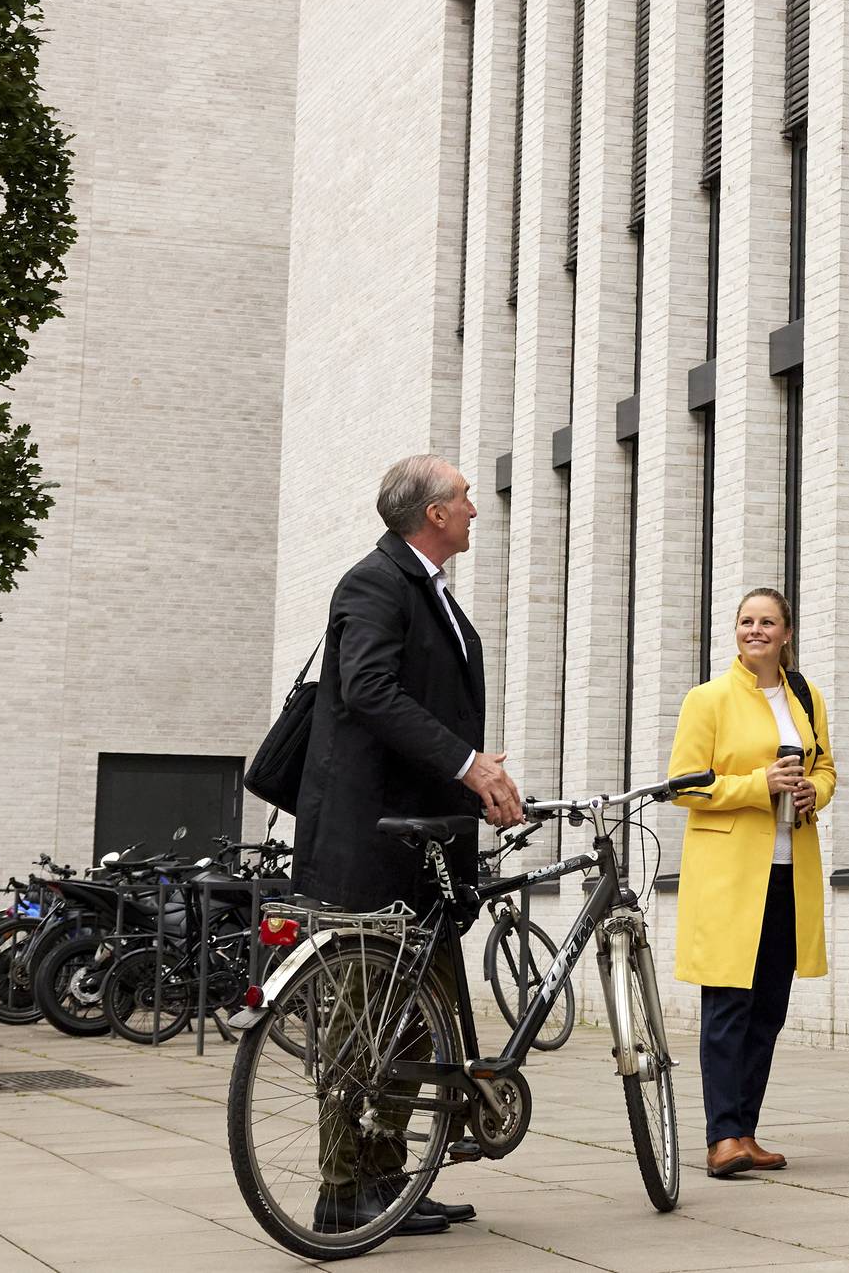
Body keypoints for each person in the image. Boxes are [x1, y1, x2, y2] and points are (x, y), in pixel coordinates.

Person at [291, 454, 525, 1236]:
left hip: (427, 845)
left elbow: (432, 711)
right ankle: (338, 1189)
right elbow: (367, 690)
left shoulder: (431, 591)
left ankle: (393, 1178)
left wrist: (475, 784)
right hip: (374, 844)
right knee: (364, 1019)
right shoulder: (376, 582)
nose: (474, 509)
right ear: (432, 514)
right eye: (463, 498)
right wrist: (468, 765)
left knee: (423, 1022)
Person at [667, 587, 837, 1179]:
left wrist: (818, 790)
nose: (755, 630)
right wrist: (755, 784)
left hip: (791, 873)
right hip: (730, 876)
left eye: (767, 622)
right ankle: (721, 1139)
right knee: (728, 1007)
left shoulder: (806, 696)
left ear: (786, 633)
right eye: (746, 621)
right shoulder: (707, 700)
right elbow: (684, 785)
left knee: (768, 1009)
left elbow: (826, 767)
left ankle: (746, 1131)